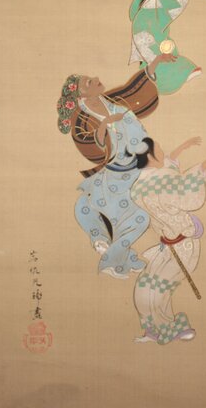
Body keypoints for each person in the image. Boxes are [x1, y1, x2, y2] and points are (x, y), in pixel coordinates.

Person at [57, 53, 175, 278]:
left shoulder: (111, 101)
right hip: (115, 174)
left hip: (138, 167)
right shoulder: (82, 118)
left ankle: (115, 256)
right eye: (89, 82)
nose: (96, 79)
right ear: (81, 94)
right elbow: (90, 143)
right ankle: (104, 242)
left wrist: (156, 62)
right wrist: (105, 125)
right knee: (96, 208)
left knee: (140, 218)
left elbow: (134, 90)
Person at [131, 136, 206, 345]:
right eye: (159, 149)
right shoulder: (157, 181)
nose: (164, 152)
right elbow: (187, 182)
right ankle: (152, 329)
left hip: (184, 244)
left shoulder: (140, 185)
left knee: (159, 288)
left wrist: (191, 149)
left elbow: (168, 165)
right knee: (144, 285)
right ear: (150, 157)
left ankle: (174, 329)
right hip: (166, 245)